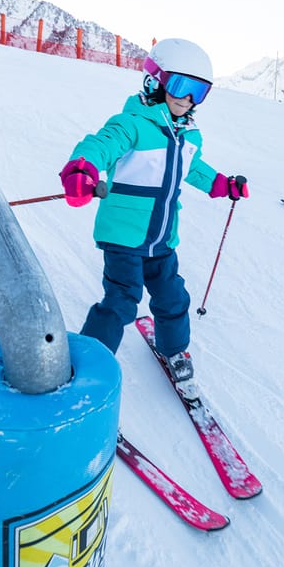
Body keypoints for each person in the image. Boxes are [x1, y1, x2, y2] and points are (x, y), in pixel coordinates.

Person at [59, 38, 248, 399]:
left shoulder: (189, 135)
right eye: (181, 86)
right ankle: (88, 364)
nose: (188, 99)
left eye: (199, 91)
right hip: (123, 238)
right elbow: (100, 144)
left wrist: (222, 184)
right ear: (156, 80)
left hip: (162, 239)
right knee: (121, 300)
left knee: (173, 298)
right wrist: (82, 169)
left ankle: (174, 350)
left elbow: (193, 168)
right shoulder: (132, 124)